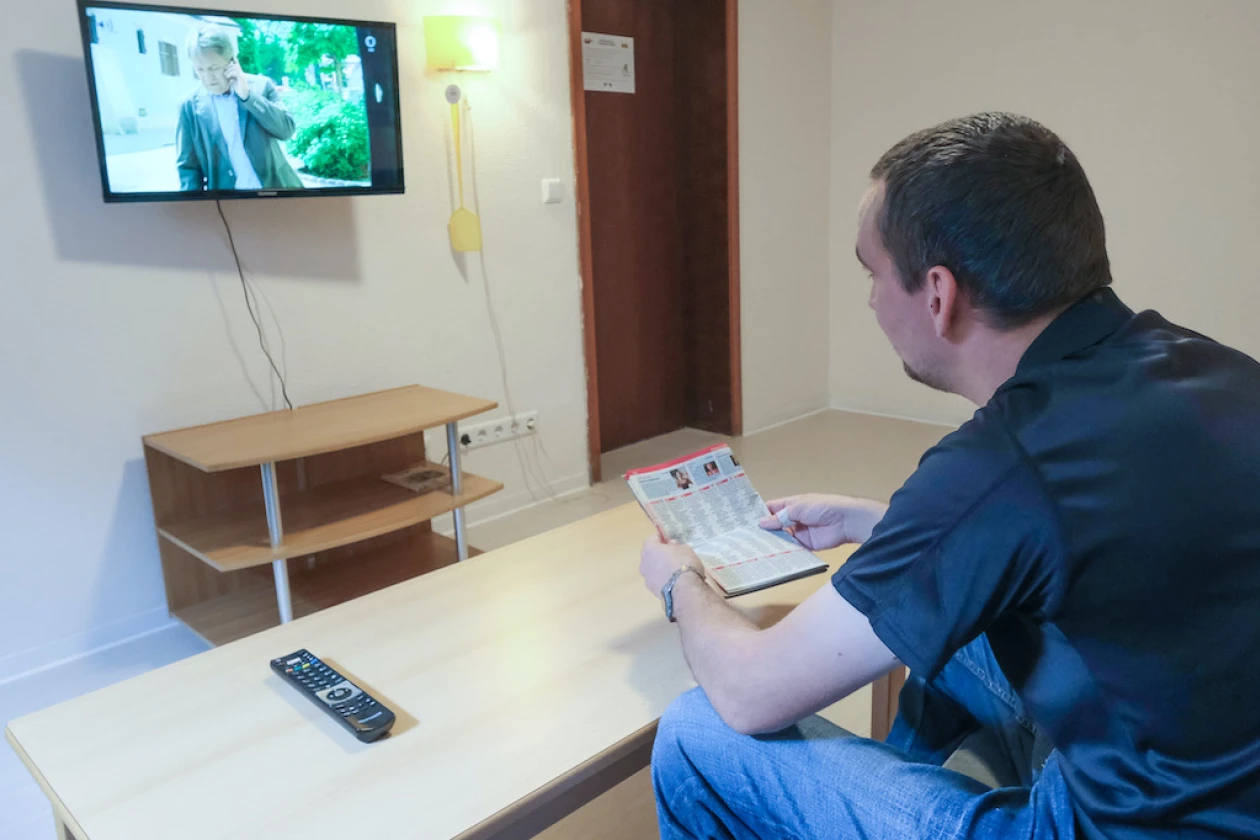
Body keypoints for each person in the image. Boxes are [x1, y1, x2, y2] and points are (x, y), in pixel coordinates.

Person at [640, 112, 1260, 839]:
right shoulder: (1212, 368)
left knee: (695, 734)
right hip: (1210, 770)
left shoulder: (1005, 458)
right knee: (945, 623)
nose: (871, 299)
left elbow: (751, 692)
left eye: (872, 274)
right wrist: (877, 522)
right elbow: (1097, 537)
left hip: (1130, 821)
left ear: (938, 293)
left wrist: (680, 583)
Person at [175, 24, 304, 192]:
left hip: (278, 194)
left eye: (214, 68)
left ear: (232, 62)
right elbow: (188, 169)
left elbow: (286, 130)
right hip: (228, 206)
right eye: (200, 70)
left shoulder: (261, 86)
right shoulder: (188, 106)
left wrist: (248, 96)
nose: (208, 77)